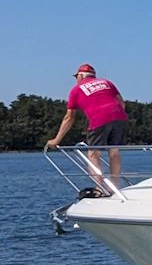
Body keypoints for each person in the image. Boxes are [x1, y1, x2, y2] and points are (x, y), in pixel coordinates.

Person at [46, 63, 129, 192]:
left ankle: (100, 188)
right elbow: (121, 103)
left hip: (99, 118)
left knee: (93, 154)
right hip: (120, 117)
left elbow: (69, 118)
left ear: (80, 76)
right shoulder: (107, 82)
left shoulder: (76, 90)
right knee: (114, 152)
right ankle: (114, 186)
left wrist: (56, 140)